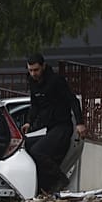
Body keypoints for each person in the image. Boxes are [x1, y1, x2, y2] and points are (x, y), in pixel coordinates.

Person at [22, 53, 86, 194]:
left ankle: (59, 179)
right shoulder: (33, 82)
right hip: (50, 128)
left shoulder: (56, 81)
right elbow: (35, 105)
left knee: (37, 151)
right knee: (24, 146)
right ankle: (40, 185)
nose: (33, 74)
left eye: (36, 70)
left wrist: (80, 123)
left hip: (62, 127)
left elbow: (72, 100)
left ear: (43, 66)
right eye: (30, 70)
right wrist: (28, 122)